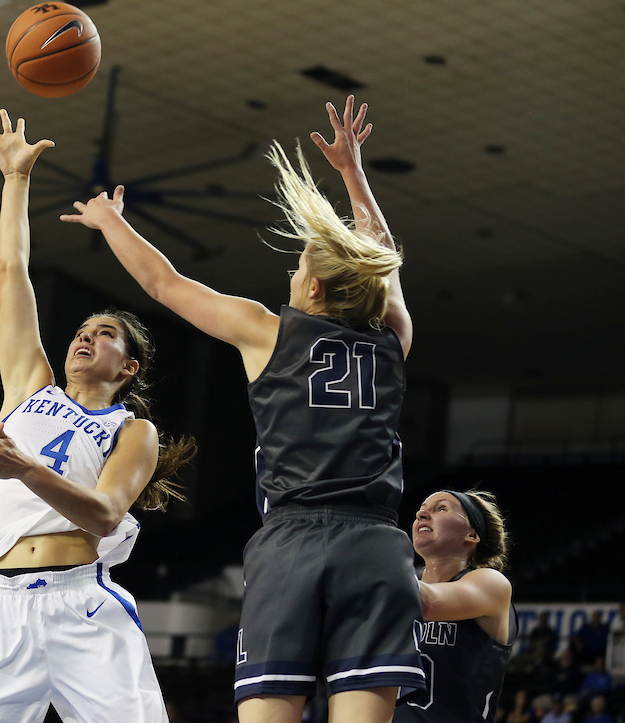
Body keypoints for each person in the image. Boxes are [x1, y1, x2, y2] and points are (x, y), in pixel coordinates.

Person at [63, 95, 424, 723]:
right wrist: (353, 175)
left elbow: (163, 284)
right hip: (375, 544)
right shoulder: (391, 338)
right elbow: (382, 254)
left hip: (294, 541)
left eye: (297, 266)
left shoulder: (269, 332)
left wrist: (110, 221)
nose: (290, 275)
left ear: (312, 288)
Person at [0, 109, 194, 723]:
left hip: (80, 604)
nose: (85, 338)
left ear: (130, 367)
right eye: (82, 331)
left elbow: (107, 515)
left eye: (105, 334)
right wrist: (15, 180)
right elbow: (12, 272)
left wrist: (24, 468)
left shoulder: (132, 431)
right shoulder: (30, 385)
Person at [395, 490, 516, 723]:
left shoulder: (491, 583)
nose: (421, 514)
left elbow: (426, 603)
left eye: (440, 509)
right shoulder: (400, 588)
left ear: (472, 534)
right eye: (421, 509)